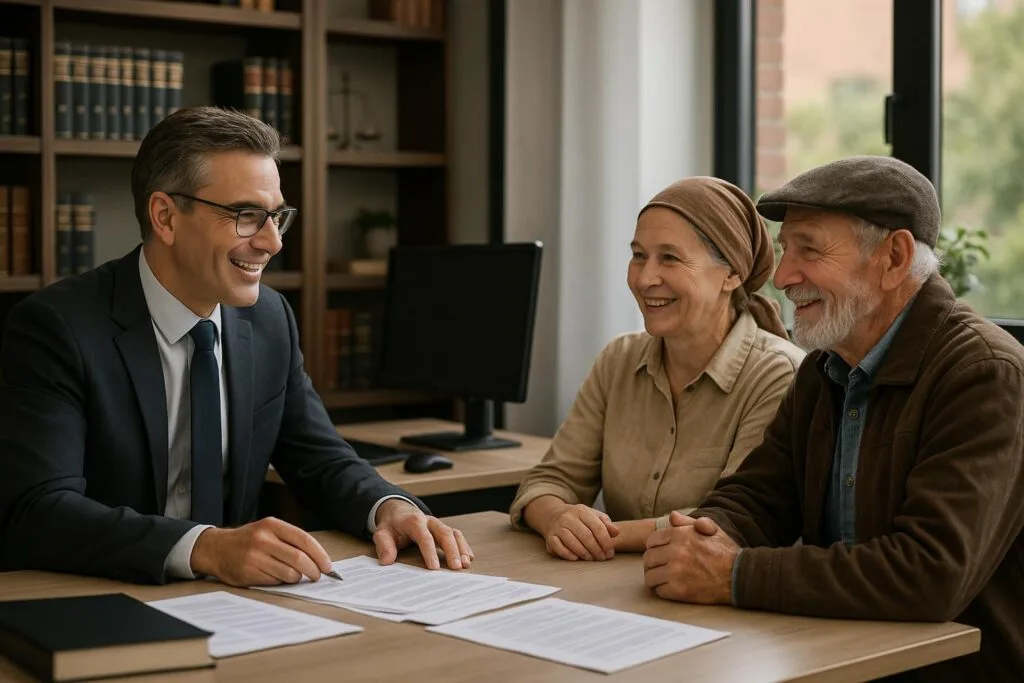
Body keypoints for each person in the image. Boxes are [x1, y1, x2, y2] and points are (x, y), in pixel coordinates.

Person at [0, 106, 474, 587]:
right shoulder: (57, 328)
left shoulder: (269, 318)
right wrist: (205, 548)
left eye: (276, 217)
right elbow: (38, 510)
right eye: (246, 216)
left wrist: (387, 506)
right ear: (165, 217)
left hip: (236, 601)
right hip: (104, 594)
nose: (272, 243)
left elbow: (319, 457)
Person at [642, 156, 1024, 681]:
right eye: (784, 249)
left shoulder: (984, 373)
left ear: (894, 258)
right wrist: (700, 537)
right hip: (840, 657)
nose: (782, 277)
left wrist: (733, 573)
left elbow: (931, 574)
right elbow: (759, 496)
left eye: (810, 249)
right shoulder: (824, 367)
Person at [509, 177, 805, 561]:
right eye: (638, 255)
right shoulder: (618, 360)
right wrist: (556, 517)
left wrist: (598, 535)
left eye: (670, 258)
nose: (645, 278)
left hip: (705, 591)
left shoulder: (778, 374)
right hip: (610, 581)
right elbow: (551, 479)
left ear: (732, 273)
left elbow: (733, 520)